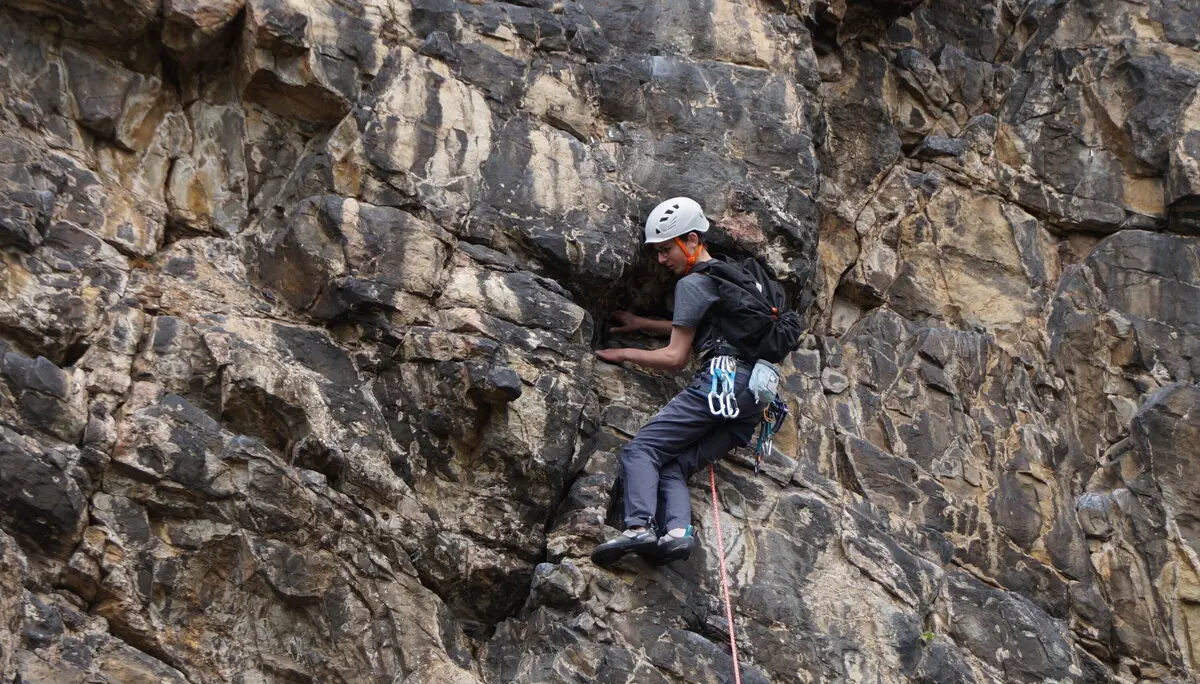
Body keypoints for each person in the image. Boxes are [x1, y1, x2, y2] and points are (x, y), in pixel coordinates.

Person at [591, 197, 765, 567]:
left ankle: (638, 527)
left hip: (721, 384)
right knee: (674, 465)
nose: (660, 259)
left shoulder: (693, 284)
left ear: (690, 239)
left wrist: (621, 353)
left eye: (665, 249)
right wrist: (643, 325)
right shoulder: (737, 279)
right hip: (757, 399)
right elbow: (696, 324)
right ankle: (677, 534)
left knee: (641, 451)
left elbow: (674, 357)